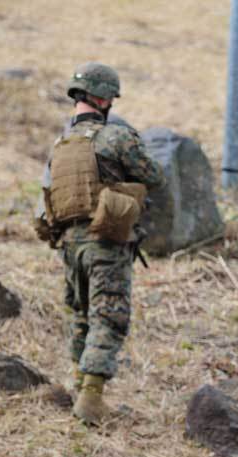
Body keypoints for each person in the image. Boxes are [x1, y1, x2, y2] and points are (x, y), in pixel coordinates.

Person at [35, 62, 165, 425]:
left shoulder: (61, 145)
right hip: (104, 239)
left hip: (69, 244)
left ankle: (80, 385)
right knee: (108, 315)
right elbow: (155, 176)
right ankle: (91, 399)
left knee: (80, 315)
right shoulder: (116, 137)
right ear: (104, 99)